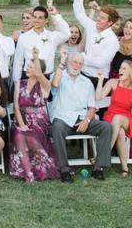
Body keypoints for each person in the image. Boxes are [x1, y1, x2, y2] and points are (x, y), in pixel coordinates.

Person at [49, 51, 113, 182]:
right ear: (68, 62)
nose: (77, 65)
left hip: (82, 119)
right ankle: (64, 169)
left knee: (106, 127)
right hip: (63, 118)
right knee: (56, 127)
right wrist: (61, 62)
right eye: (74, 62)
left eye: (80, 63)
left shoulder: (87, 82)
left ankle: (98, 168)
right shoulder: (58, 76)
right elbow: (54, 85)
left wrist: (87, 120)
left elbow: (92, 107)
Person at [9, 50, 59, 182]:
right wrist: (22, 124)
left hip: (39, 122)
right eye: (27, 65)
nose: (27, 68)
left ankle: (38, 169)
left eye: (30, 66)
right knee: (19, 134)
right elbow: (16, 107)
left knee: (31, 138)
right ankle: (28, 173)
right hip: (21, 119)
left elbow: (38, 73)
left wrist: (36, 58)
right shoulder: (19, 83)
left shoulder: (44, 86)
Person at [96, 61, 132, 176]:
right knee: (120, 132)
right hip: (110, 117)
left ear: (131, 73)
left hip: (128, 119)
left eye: (124, 69)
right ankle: (125, 167)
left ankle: (104, 153)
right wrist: (100, 80)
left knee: (118, 119)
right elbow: (98, 97)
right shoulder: (113, 82)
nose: (120, 71)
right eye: (120, 68)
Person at [11, 0, 70, 83]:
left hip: (46, 77)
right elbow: (18, 62)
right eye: (34, 17)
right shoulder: (23, 37)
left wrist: (56, 15)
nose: (36, 20)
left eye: (40, 18)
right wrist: (17, 82)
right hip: (27, 77)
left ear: (46, 21)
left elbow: (67, 34)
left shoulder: (52, 36)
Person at [72, 0, 120, 86]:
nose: (98, 19)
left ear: (110, 23)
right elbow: (80, 14)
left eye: (102, 18)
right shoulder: (92, 26)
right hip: (82, 73)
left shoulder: (112, 40)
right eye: (98, 16)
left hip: (98, 79)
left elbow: (100, 63)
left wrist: (82, 56)